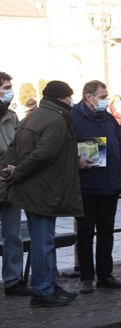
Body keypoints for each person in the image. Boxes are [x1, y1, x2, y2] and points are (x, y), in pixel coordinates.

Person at [0, 80, 86, 307]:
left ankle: (51, 285)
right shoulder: (56, 119)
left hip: (32, 190)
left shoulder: (33, 115)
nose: (71, 101)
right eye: (70, 96)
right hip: (44, 190)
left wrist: (12, 169)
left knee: (44, 240)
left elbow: (13, 148)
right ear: (61, 98)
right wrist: (16, 174)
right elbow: (43, 155)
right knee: (43, 242)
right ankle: (43, 291)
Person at [71, 80, 121, 293]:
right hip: (86, 186)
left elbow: (119, 149)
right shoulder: (72, 118)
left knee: (107, 232)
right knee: (85, 233)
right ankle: (87, 278)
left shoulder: (110, 119)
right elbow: (62, 148)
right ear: (89, 96)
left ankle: (105, 274)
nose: (107, 100)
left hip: (110, 186)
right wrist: (75, 161)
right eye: (103, 97)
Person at [0, 71, 30, 296]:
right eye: (5, 88)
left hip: (10, 186)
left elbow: (19, 147)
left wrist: (16, 168)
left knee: (13, 236)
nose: (9, 92)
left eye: (10, 87)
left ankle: (12, 281)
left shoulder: (12, 117)